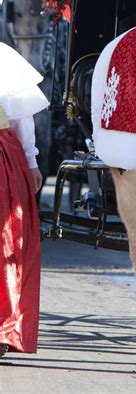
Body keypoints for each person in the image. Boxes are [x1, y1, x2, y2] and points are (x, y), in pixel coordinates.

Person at [0, 42, 48, 357]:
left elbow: (20, 117)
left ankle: (3, 327)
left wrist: (30, 161)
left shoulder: (2, 56)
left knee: (4, 242)